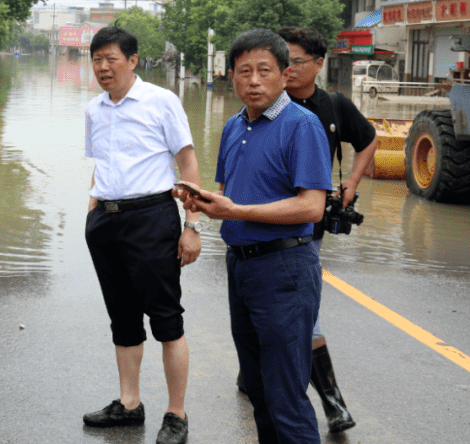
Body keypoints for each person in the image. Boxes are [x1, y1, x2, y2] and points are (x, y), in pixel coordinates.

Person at [177, 28, 332, 444]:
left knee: (286, 395)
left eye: (265, 70)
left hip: (285, 267)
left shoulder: (302, 125)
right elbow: (228, 194)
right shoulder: (232, 126)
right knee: (258, 392)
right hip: (241, 267)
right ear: (231, 76)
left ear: (285, 74)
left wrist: (237, 210)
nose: (254, 80)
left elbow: (311, 207)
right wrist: (202, 200)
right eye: (244, 71)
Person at [80, 26, 202, 444]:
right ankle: (129, 404)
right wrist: (92, 213)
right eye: (97, 59)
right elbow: (101, 164)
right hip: (106, 222)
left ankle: (177, 413)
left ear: (133, 61)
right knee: (123, 319)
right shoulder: (94, 109)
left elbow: (188, 164)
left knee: (167, 320)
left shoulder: (161, 101)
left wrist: (192, 227)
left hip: (152, 218)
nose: (103, 67)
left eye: (111, 58)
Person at [274, 25, 376, 433]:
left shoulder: (333, 107)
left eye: (296, 62)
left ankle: (332, 403)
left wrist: (352, 181)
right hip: (262, 227)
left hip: (307, 232)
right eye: (283, 62)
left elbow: (368, 140)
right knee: (279, 315)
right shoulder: (265, 105)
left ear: (319, 64)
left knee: (304, 316)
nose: (287, 70)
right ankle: (260, 376)